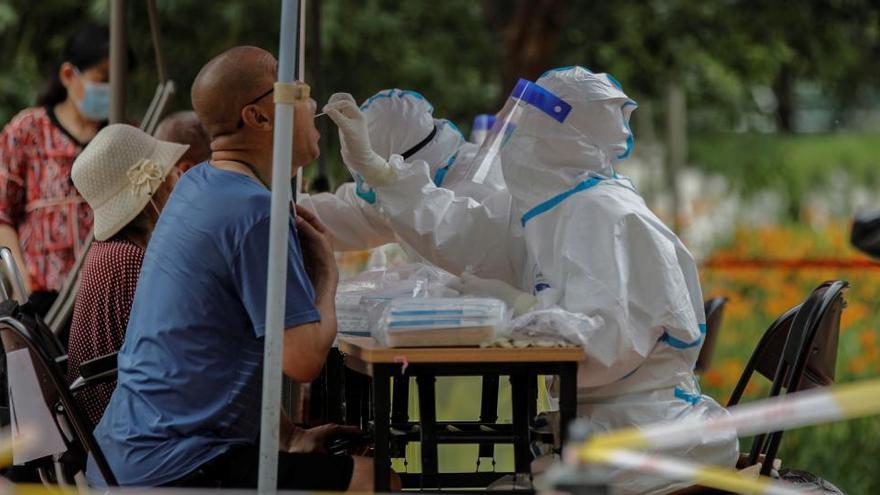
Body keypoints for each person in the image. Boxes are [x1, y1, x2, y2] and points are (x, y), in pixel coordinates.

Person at [324, 66, 738, 494]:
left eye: (526, 119)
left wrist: (521, 308)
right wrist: (380, 173)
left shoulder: (607, 215)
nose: (513, 133)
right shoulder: (556, 206)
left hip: (646, 441)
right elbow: (460, 232)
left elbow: (607, 345)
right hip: (601, 430)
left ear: (560, 132)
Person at [88, 46, 385, 492]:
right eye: (299, 92)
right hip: (177, 468)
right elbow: (303, 359)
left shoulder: (196, 185)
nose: (312, 103)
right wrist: (326, 267)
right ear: (259, 117)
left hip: (123, 455)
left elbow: (215, 351)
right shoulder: (254, 213)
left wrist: (292, 436)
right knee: (377, 481)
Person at [65, 116, 211, 427]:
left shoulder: (111, 252)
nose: (176, 180)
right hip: (125, 426)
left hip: (111, 421)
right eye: (170, 173)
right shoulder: (128, 260)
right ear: (153, 188)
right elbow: (172, 356)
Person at [0, 24, 118, 315]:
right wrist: (21, 288)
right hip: (41, 296)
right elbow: (2, 214)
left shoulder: (123, 137)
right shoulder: (27, 130)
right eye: (103, 79)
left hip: (105, 295)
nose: (111, 90)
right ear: (68, 75)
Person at [299, 88, 504, 253]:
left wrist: (385, 177)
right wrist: (279, 205)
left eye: (373, 168)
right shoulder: (402, 193)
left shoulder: (481, 180)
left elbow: (450, 236)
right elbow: (342, 215)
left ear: (401, 164)